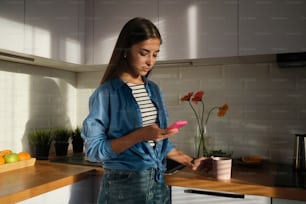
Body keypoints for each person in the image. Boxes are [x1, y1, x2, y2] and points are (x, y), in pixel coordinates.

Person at [81, 17, 212, 204]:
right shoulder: (106, 93)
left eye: (155, 54)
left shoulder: (154, 90)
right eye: (144, 53)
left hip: (157, 183)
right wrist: (139, 135)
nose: (150, 61)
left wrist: (191, 162)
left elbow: (159, 145)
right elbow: (93, 150)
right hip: (123, 187)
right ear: (126, 50)